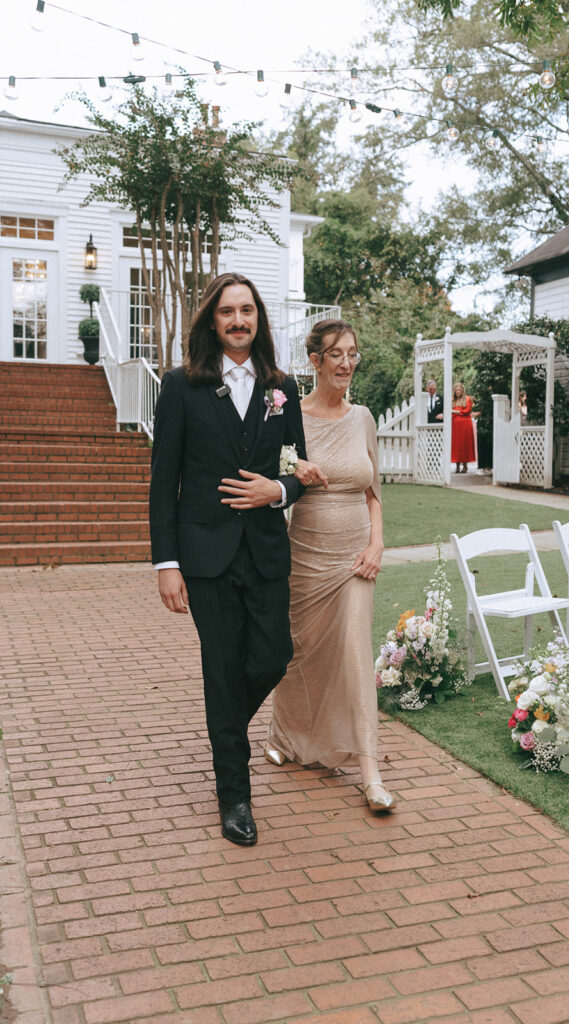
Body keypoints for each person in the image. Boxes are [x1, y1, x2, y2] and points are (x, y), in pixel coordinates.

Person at [149, 271, 306, 847]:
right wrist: (165, 562)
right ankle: (234, 798)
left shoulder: (280, 387)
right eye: (227, 312)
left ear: (258, 319)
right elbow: (163, 480)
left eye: (247, 311)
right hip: (205, 555)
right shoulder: (180, 386)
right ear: (211, 321)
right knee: (222, 669)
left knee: (273, 655)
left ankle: (225, 735)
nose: (238, 321)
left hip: (266, 551)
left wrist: (280, 491)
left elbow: (300, 470)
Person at [258, 319, 396, 814]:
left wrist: (377, 544)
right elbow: (268, 468)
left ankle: (370, 771)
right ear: (315, 361)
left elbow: (373, 494)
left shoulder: (364, 419)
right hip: (305, 554)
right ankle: (286, 733)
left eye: (353, 353)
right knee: (301, 653)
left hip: (356, 556)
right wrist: (294, 468)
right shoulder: (289, 413)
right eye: (336, 354)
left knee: (356, 654)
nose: (346, 363)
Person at [451, 381, 478, 473]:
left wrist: (457, 412)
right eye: (456, 390)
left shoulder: (467, 399)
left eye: (459, 390)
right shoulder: (452, 400)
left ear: (462, 390)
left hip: (465, 424)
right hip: (455, 425)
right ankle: (457, 466)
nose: (458, 391)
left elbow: (467, 410)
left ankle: (465, 466)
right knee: (456, 445)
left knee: (464, 444)